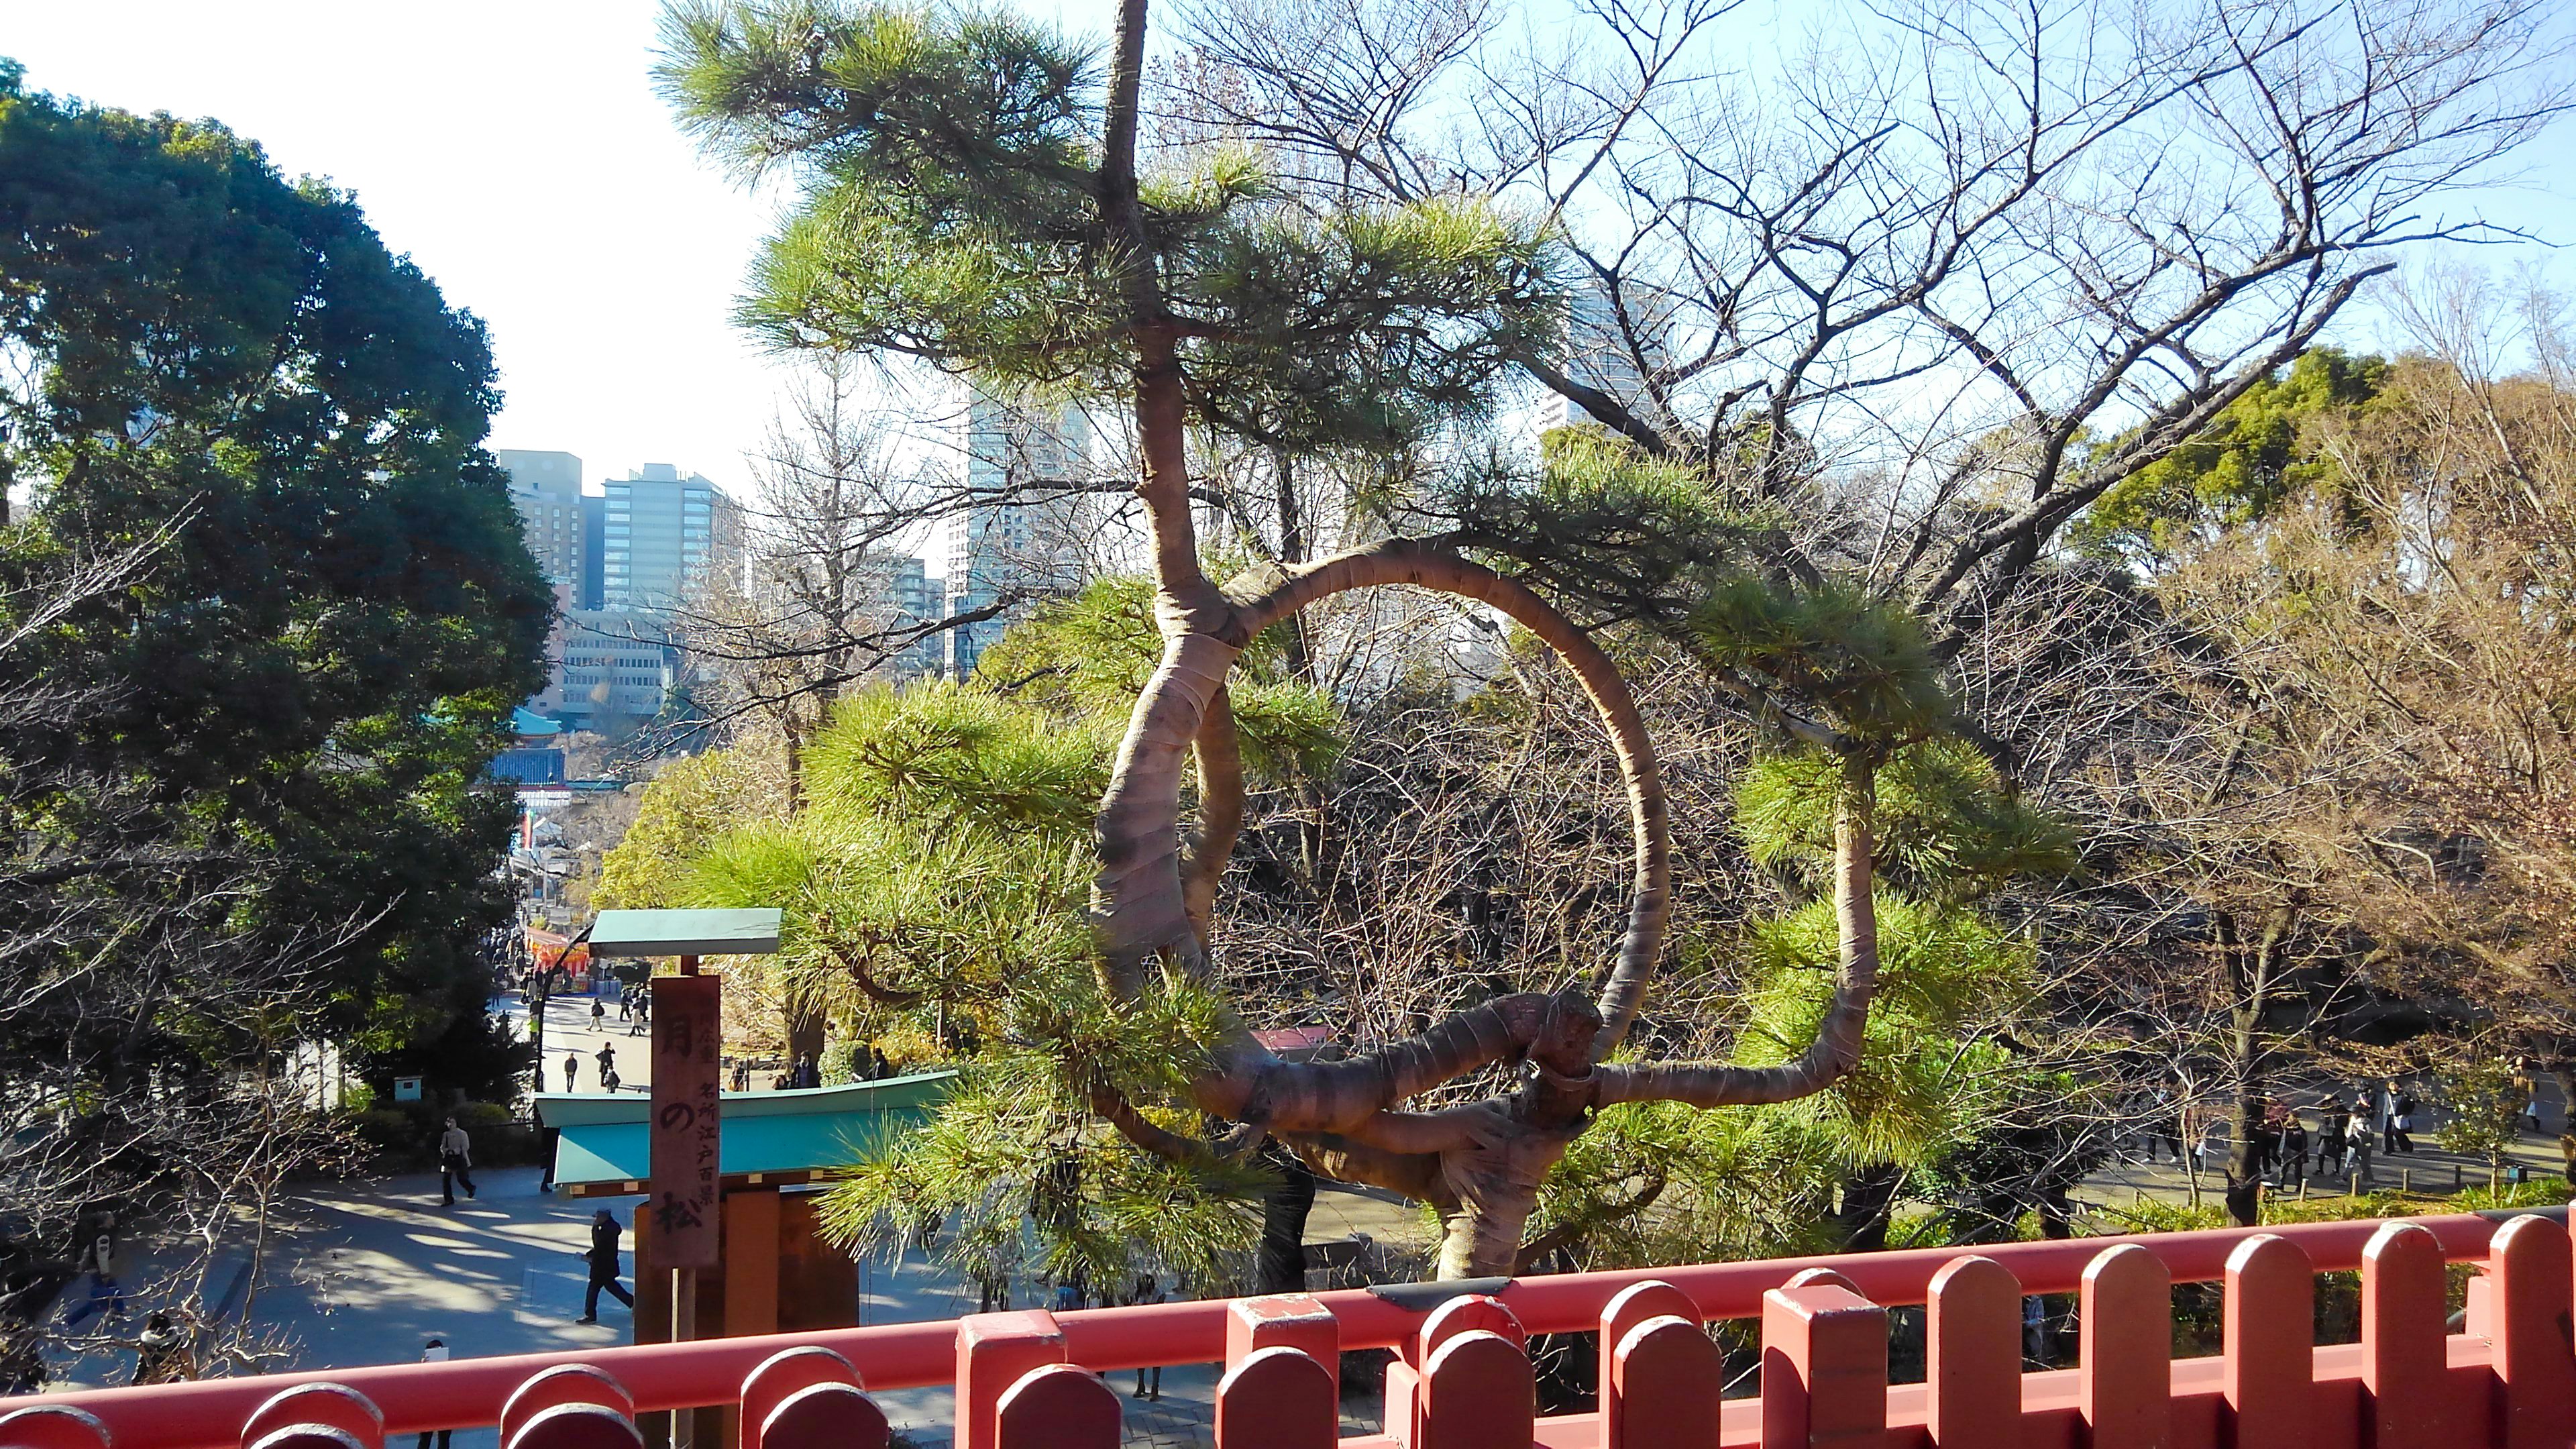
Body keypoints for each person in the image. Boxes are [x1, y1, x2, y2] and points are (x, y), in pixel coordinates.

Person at [62, 1220, 125, 1328]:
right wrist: (105, 1274)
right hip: (100, 1272)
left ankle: (70, 1320)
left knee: (102, 1300)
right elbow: (102, 1256)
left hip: (96, 1271)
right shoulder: (103, 1237)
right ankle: (119, 1316)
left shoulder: (97, 1235)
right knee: (114, 1294)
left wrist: (81, 1266)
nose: (113, 1220)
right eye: (110, 1218)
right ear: (105, 1221)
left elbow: (88, 1251)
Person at [578, 1210, 633, 1323]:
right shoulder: (610, 1229)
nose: (595, 1220)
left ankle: (591, 1315)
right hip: (608, 1265)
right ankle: (633, 1302)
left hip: (601, 1266)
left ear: (604, 1218)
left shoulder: (604, 1231)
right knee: (611, 1286)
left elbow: (599, 1246)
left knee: (593, 1289)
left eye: (597, 1218)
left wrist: (590, 1257)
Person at [1128, 1276, 1165, 1401]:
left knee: (1156, 1360)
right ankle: (1141, 1386)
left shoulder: (1159, 1295)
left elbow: (1156, 1311)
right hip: (1142, 1330)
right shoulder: (1139, 1294)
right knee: (1141, 1359)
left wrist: (1142, 1304)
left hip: (1156, 1331)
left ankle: (1155, 1389)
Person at [133, 1311, 192, 1385]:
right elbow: (182, 1358)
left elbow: (142, 1363)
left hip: (153, 1379)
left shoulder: (146, 1340)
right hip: (173, 1376)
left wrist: (136, 1381)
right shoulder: (176, 1338)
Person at [414, 1338, 451, 1449]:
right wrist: (421, 1368)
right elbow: (417, 1387)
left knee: (444, 1441)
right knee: (425, 1441)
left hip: (444, 1408)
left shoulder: (449, 1370)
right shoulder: (421, 1371)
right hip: (427, 1409)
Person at [438, 1117, 478, 1205]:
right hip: (448, 1158)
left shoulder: (462, 1133)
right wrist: (447, 1151)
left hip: (459, 1158)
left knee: (461, 1178)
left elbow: (466, 1147)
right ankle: (448, 1199)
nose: (451, 1124)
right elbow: (442, 1146)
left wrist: (458, 1150)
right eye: (449, 1122)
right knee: (446, 1179)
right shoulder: (446, 1134)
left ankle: (471, 1188)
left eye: (453, 1122)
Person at [2277, 1115, 2309, 1188]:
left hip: (2297, 1153)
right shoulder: (2287, 1130)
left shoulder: (2301, 1131)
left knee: (2297, 1171)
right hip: (2287, 1152)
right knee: (2283, 1169)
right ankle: (2281, 1183)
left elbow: (2304, 1143)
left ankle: (2299, 1185)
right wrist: (2281, 1151)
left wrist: (2302, 1153)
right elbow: (2283, 1141)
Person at [2390, 1087, 2418, 1154]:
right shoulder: (2393, 1095)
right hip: (2395, 1115)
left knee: (2398, 1132)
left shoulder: (2406, 1097)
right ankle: (2405, 1147)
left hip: (2401, 1116)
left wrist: (2407, 1113)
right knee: (2397, 1133)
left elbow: (2411, 1105)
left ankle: (2407, 1146)